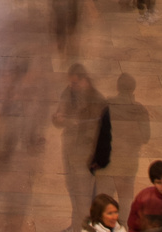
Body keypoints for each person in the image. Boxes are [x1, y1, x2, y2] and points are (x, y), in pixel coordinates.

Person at [52, 64, 112, 232]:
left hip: (86, 158)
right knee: (73, 192)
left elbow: (101, 134)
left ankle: (80, 228)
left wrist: (99, 161)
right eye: (71, 83)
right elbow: (58, 118)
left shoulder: (98, 102)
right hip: (70, 153)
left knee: (83, 198)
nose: (72, 86)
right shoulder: (68, 93)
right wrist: (58, 118)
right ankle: (75, 225)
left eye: (75, 83)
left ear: (84, 81)